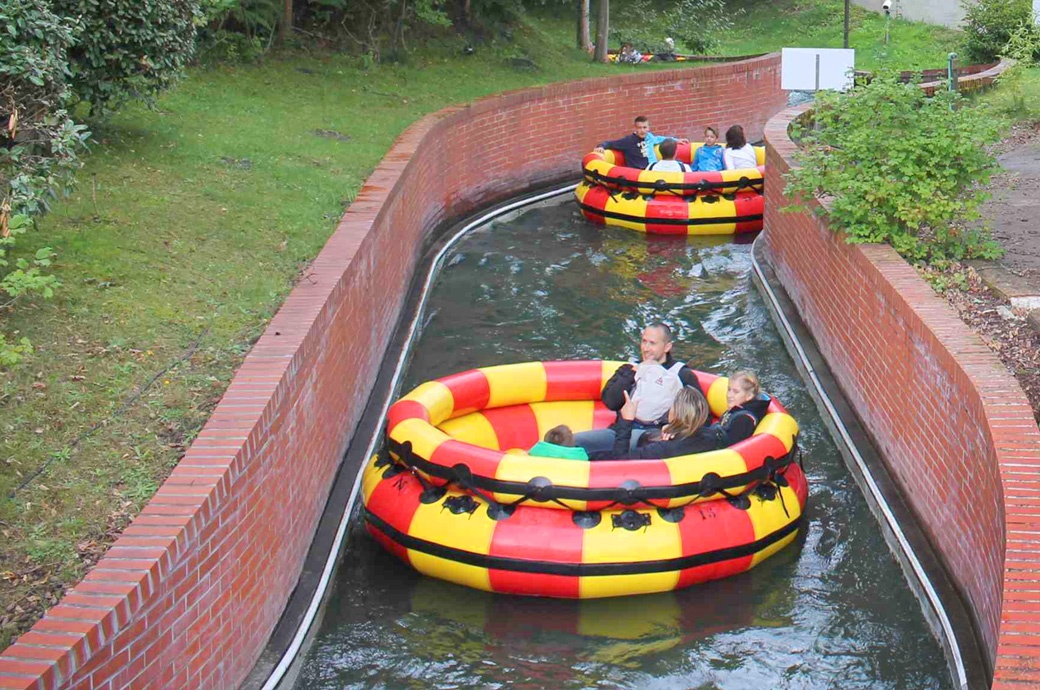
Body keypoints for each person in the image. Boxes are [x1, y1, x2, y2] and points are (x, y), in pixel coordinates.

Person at [574, 323, 703, 454]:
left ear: (667, 347)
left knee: (644, 444)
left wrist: (675, 429)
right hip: (621, 431)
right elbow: (610, 402)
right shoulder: (628, 369)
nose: (646, 348)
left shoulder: (682, 375)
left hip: (656, 436)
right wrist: (631, 374)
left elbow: (701, 415)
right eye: (644, 342)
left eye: (652, 343)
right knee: (574, 442)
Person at [590, 386, 719, 460]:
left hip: (631, 444)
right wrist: (675, 427)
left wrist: (626, 420)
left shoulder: (663, 449)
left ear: (678, 412)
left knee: (591, 453)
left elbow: (621, 460)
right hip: (648, 436)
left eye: (672, 405)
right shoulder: (712, 436)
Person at [594, 116, 690, 170]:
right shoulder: (629, 141)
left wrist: (676, 140)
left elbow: (660, 139)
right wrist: (601, 146)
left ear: (648, 128)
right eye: (639, 128)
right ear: (635, 128)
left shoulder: (650, 137)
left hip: (652, 168)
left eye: (645, 128)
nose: (642, 131)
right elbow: (611, 143)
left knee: (678, 165)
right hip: (639, 172)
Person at [708, 371, 770, 446]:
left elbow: (731, 449)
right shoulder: (738, 408)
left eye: (736, 392)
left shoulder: (743, 419)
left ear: (749, 396)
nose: (729, 395)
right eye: (729, 389)